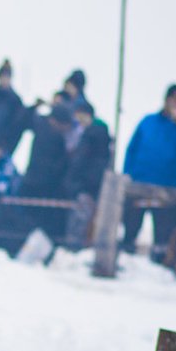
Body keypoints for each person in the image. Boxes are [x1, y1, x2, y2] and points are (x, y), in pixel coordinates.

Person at [122, 84, 176, 258]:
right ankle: (126, 252)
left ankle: (160, 262)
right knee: (131, 224)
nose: (173, 103)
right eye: (171, 99)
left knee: (163, 230)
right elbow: (132, 148)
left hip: (167, 184)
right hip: (140, 180)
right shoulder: (148, 121)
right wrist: (127, 173)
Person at [12, 101, 73, 241]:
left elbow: (24, 119)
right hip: (43, 183)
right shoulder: (54, 135)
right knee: (35, 218)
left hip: (36, 180)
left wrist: (33, 106)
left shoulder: (42, 125)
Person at [61, 103, 111, 250]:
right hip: (86, 185)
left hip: (87, 187)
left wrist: (80, 184)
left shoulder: (93, 134)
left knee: (80, 222)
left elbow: (85, 162)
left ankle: (75, 249)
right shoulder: (93, 133)